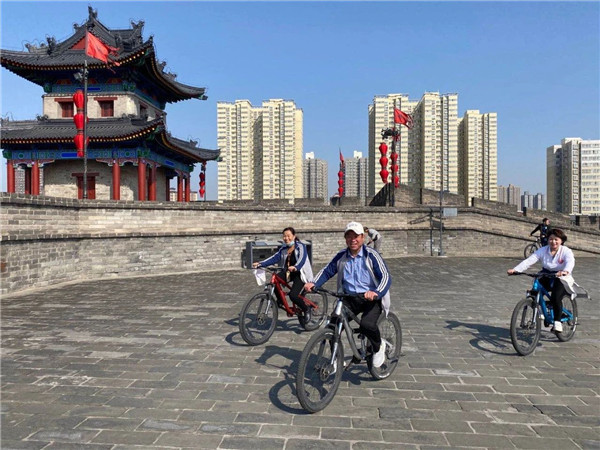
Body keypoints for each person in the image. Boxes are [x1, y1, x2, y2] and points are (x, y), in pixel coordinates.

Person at [304, 221, 392, 368]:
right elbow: (327, 271)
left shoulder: (371, 255)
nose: (353, 240)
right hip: (349, 298)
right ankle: (336, 359)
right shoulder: (341, 256)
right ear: (345, 239)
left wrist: (376, 292)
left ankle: (378, 347)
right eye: (349, 236)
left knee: (367, 325)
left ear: (362, 237)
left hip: (370, 298)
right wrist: (313, 283)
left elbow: (386, 277)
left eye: (356, 236)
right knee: (332, 326)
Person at [507, 228, 577, 332]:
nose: (553, 242)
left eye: (556, 239)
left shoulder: (566, 251)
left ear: (561, 240)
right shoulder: (543, 250)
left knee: (556, 296)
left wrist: (565, 271)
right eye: (551, 239)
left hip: (561, 277)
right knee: (535, 291)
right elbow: (529, 261)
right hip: (546, 274)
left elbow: (570, 262)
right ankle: (541, 310)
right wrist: (516, 270)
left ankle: (557, 322)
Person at [253, 227, 314, 322]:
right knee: (275, 280)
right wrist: (260, 264)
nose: (286, 238)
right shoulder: (284, 248)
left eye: (288, 236)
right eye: (284, 236)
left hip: (300, 273)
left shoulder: (300, 246)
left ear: (294, 236)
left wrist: (296, 267)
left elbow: (302, 258)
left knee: (293, 295)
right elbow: (274, 258)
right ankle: (280, 301)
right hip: (289, 272)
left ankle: (306, 309)